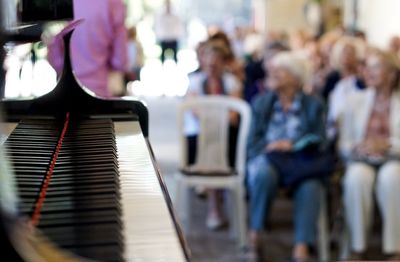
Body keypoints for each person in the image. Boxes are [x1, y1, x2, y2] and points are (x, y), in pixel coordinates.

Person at [246, 52, 326, 262]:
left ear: (296, 77)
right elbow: (252, 143)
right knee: (263, 173)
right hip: (268, 157)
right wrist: (271, 146)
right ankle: (255, 234)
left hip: (301, 161)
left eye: (280, 71)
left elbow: (321, 139)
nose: (272, 73)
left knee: (311, 184)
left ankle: (302, 247)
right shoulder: (262, 102)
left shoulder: (313, 104)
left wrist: (293, 145)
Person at [338, 48, 400, 261]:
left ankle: (395, 249)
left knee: (392, 177)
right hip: (361, 159)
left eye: (376, 66)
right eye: (367, 67)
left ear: (392, 73)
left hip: (395, 159)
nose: (368, 72)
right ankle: (357, 247)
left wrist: (387, 144)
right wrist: (357, 147)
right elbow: (343, 143)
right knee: (357, 178)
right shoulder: (355, 100)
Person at [184, 41, 242, 230]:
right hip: (199, 141)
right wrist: (218, 117)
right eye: (209, 61)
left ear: (224, 63)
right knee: (209, 138)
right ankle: (214, 206)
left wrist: (211, 117)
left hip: (225, 140)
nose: (212, 65)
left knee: (217, 139)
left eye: (216, 61)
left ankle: (212, 201)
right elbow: (195, 112)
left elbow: (234, 116)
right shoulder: (194, 82)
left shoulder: (232, 82)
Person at [47, 0, 128, 98]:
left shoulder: (61, 3)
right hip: (102, 89)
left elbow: (56, 58)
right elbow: (119, 58)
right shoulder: (113, 2)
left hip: (67, 90)